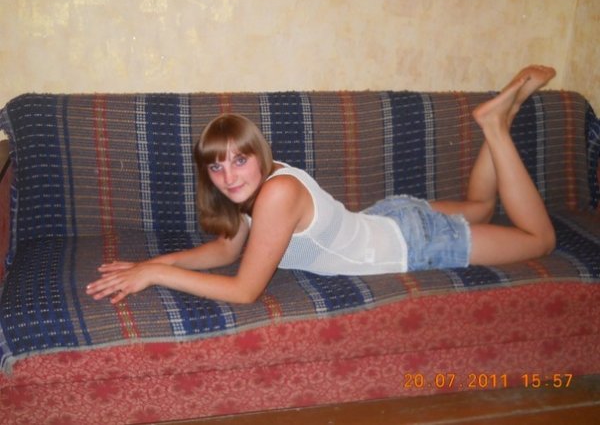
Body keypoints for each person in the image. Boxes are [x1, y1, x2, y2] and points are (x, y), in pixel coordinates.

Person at [86, 65, 557, 304]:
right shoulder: (257, 187)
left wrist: (156, 276)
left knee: (539, 240)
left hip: (412, 242)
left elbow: (245, 290)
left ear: (258, 155)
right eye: (216, 167)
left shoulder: (278, 194)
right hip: (387, 216)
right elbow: (226, 252)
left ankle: (495, 127)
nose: (228, 176)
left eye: (239, 160)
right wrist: (152, 262)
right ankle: (503, 117)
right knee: (482, 205)